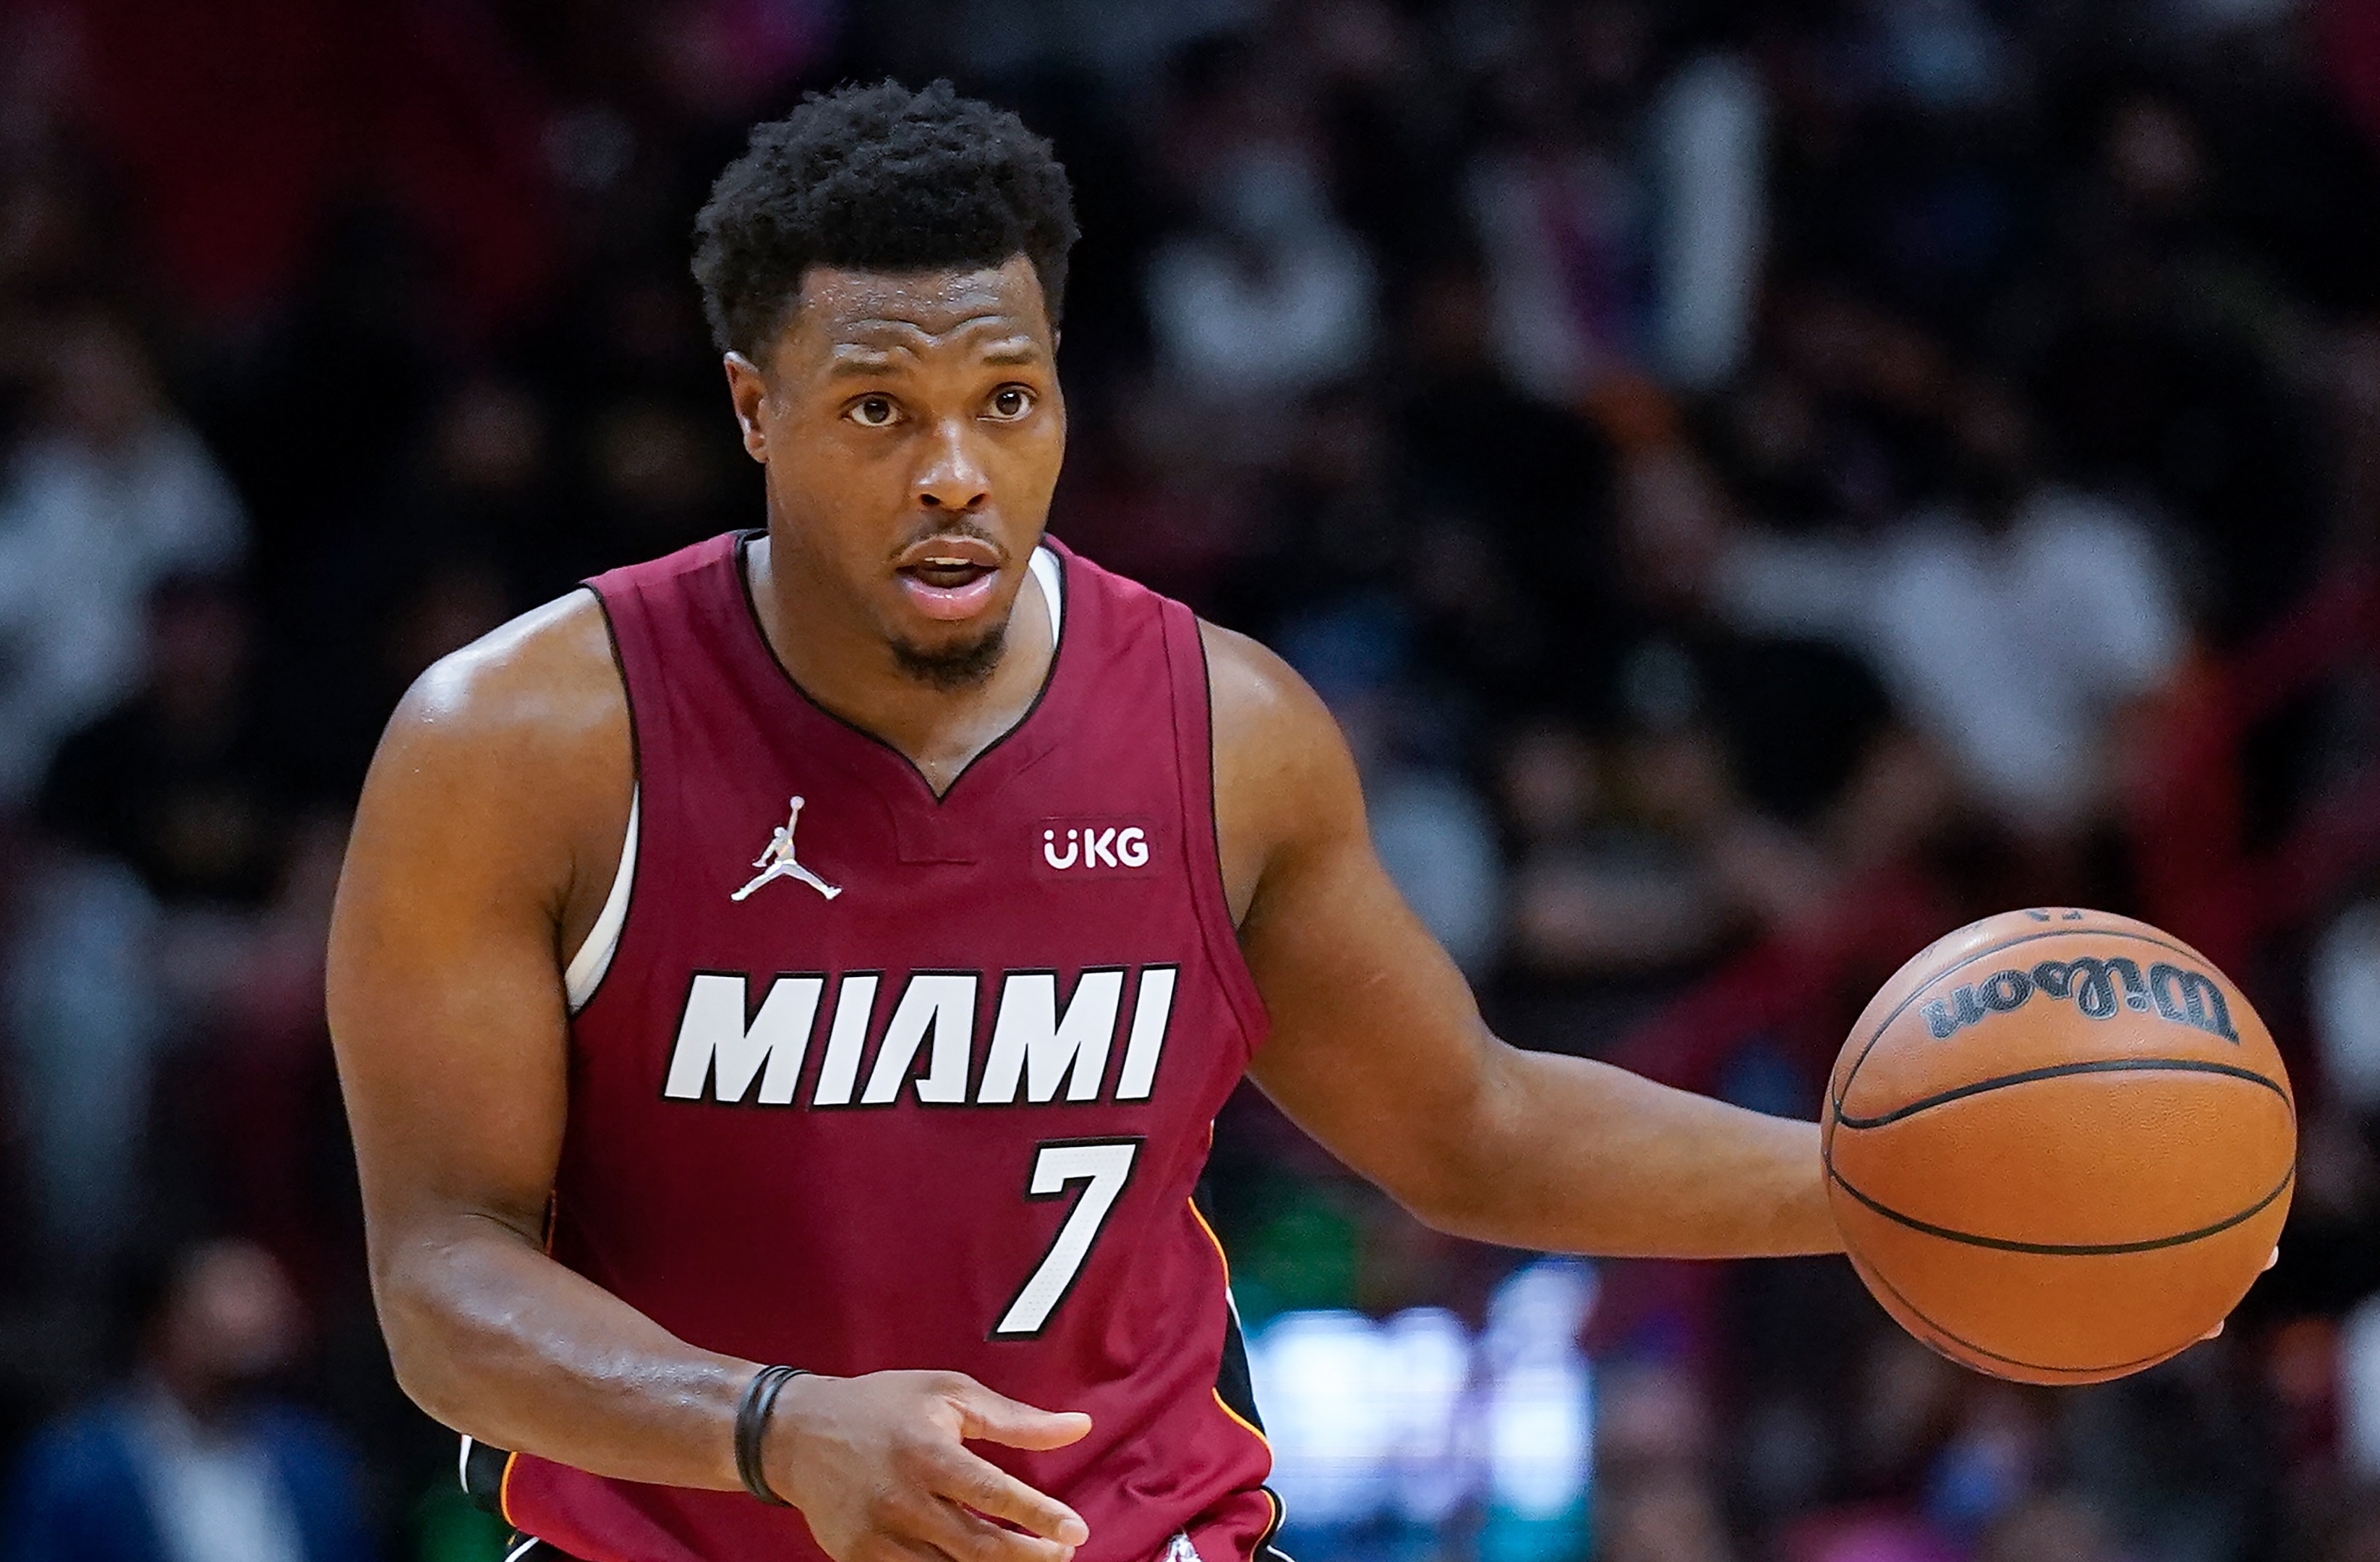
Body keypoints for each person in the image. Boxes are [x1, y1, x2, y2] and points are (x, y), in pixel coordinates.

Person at [326, 80, 1840, 1562]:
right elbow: (444, 1278)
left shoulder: (1224, 732)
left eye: (1006, 402)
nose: (954, 477)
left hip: (1133, 1531)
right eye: (877, 411)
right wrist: (777, 1428)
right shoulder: (521, 744)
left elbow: (1473, 1127)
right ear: (754, 409)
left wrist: (1869, 1192)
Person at [0, 1237, 372, 1562]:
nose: (266, 1314)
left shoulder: (314, 1458)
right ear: (169, 1320)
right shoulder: (78, 1469)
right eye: (239, 1293)